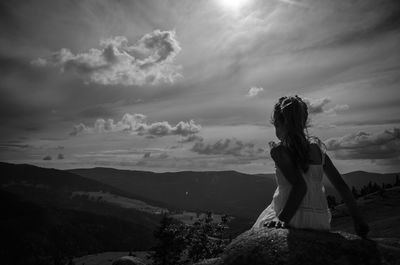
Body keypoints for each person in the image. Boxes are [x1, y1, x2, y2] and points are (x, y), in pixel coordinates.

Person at [252, 95, 369, 238]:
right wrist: (358, 221)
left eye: (275, 125)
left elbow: (300, 187)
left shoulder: (279, 151)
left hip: (289, 215)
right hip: (319, 220)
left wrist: (280, 219)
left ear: (279, 123)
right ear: (304, 122)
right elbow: (341, 186)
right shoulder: (317, 150)